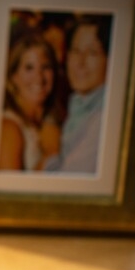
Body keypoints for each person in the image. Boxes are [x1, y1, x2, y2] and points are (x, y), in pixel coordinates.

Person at [46, 14, 111, 173]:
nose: (80, 62)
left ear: (110, 59)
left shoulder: (103, 117)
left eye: (92, 53)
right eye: (75, 51)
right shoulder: (79, 102)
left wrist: (50, 152)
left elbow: (66, 181)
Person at [0, 30, 61, 171]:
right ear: (13, 76)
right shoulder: (10, 128)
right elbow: (9, 190)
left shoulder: (49, 122)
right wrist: (50, 155)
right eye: (29, 68)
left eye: (46, 67)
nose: (39, 77)